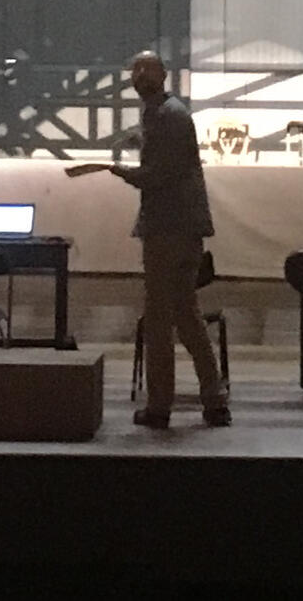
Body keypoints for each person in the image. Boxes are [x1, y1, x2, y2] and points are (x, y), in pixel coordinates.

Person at [67, 51, 229, 428]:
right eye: (136, 70)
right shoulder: (168, 112)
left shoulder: (166, 115)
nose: (139, 75)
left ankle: (160, 406)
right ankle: (214, 400)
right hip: (183, 229)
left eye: (145, 69)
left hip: (168, 229)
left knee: (159, 319)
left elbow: (158, 175)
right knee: (187, 316)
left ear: (162, 75)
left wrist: (118, 169)